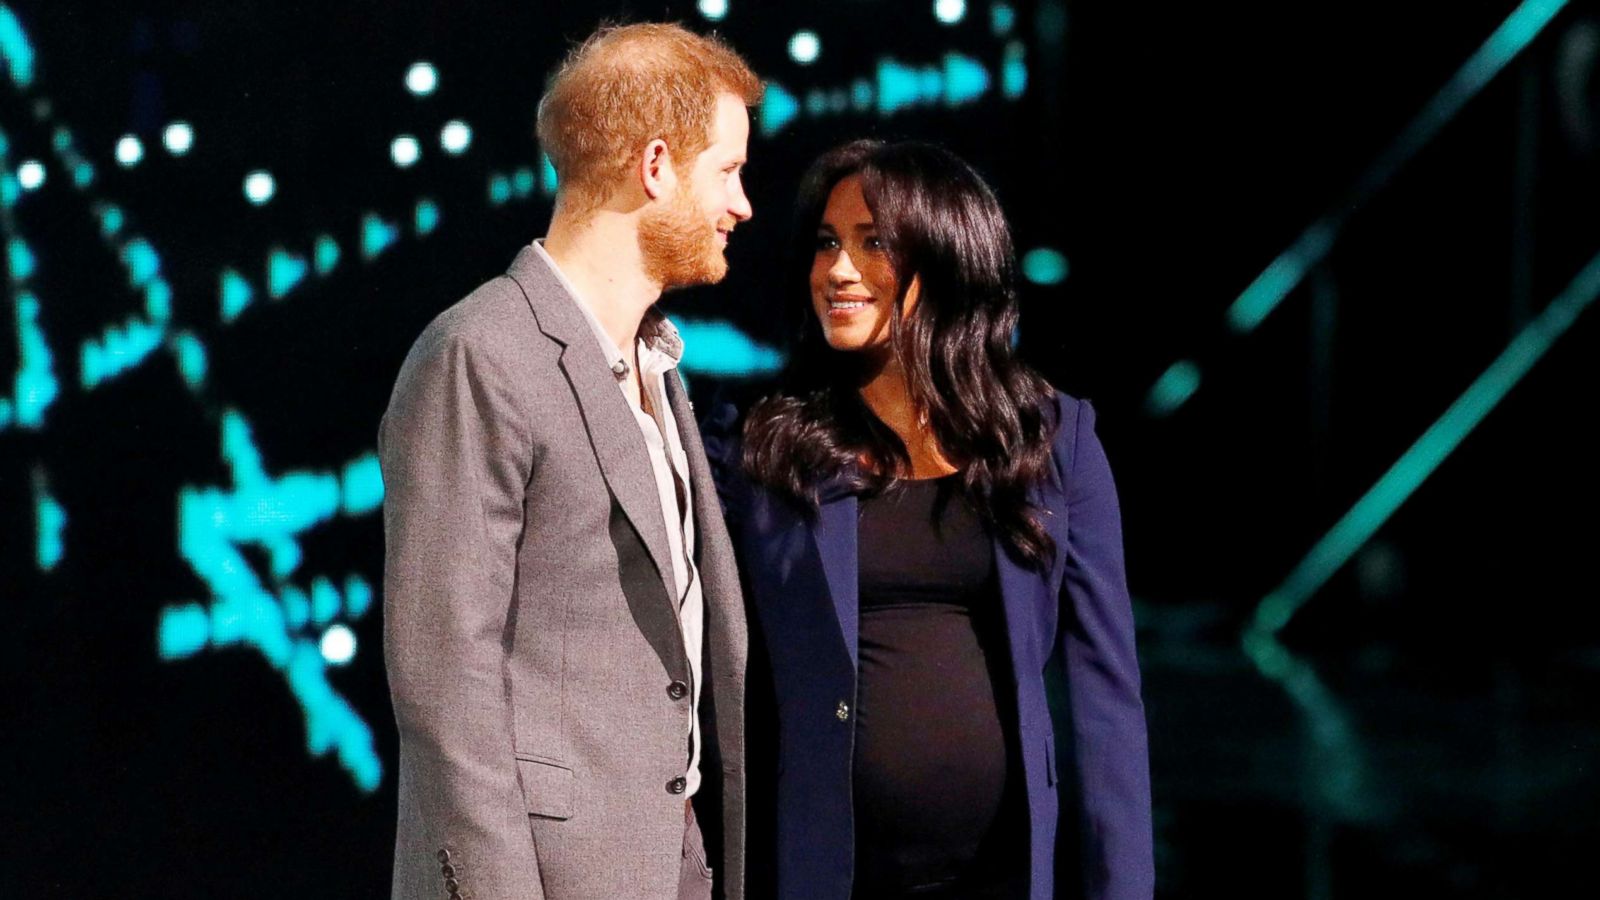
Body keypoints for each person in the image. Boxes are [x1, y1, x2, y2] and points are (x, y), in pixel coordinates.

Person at [705, 139, 1153, 900]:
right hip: (823, 873)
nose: (838, 271)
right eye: (826, 244)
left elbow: (1107, 701)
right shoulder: (761, 445)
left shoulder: (1049, 441)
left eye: (874, 243)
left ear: (947, 256)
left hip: (1000, 876)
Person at [379, 23, 761, 900]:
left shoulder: (658, 363)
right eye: (729, 171)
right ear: (656, 166)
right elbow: (446, 681)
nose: (742, 205)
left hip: (671, 863)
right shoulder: (480, 353)